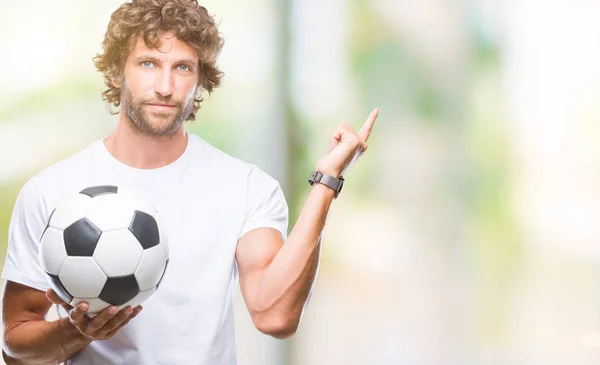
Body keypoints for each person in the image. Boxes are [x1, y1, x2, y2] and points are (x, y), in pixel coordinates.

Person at [0, 0, 379, 364]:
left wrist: (326, 182)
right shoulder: (50, 192)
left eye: (182, 68)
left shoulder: (245, 187)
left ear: (200, 81)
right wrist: (77, 331)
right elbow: (15, 350)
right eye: (148, 63)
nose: (165, 86)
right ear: (117, 72)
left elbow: (275, 315)